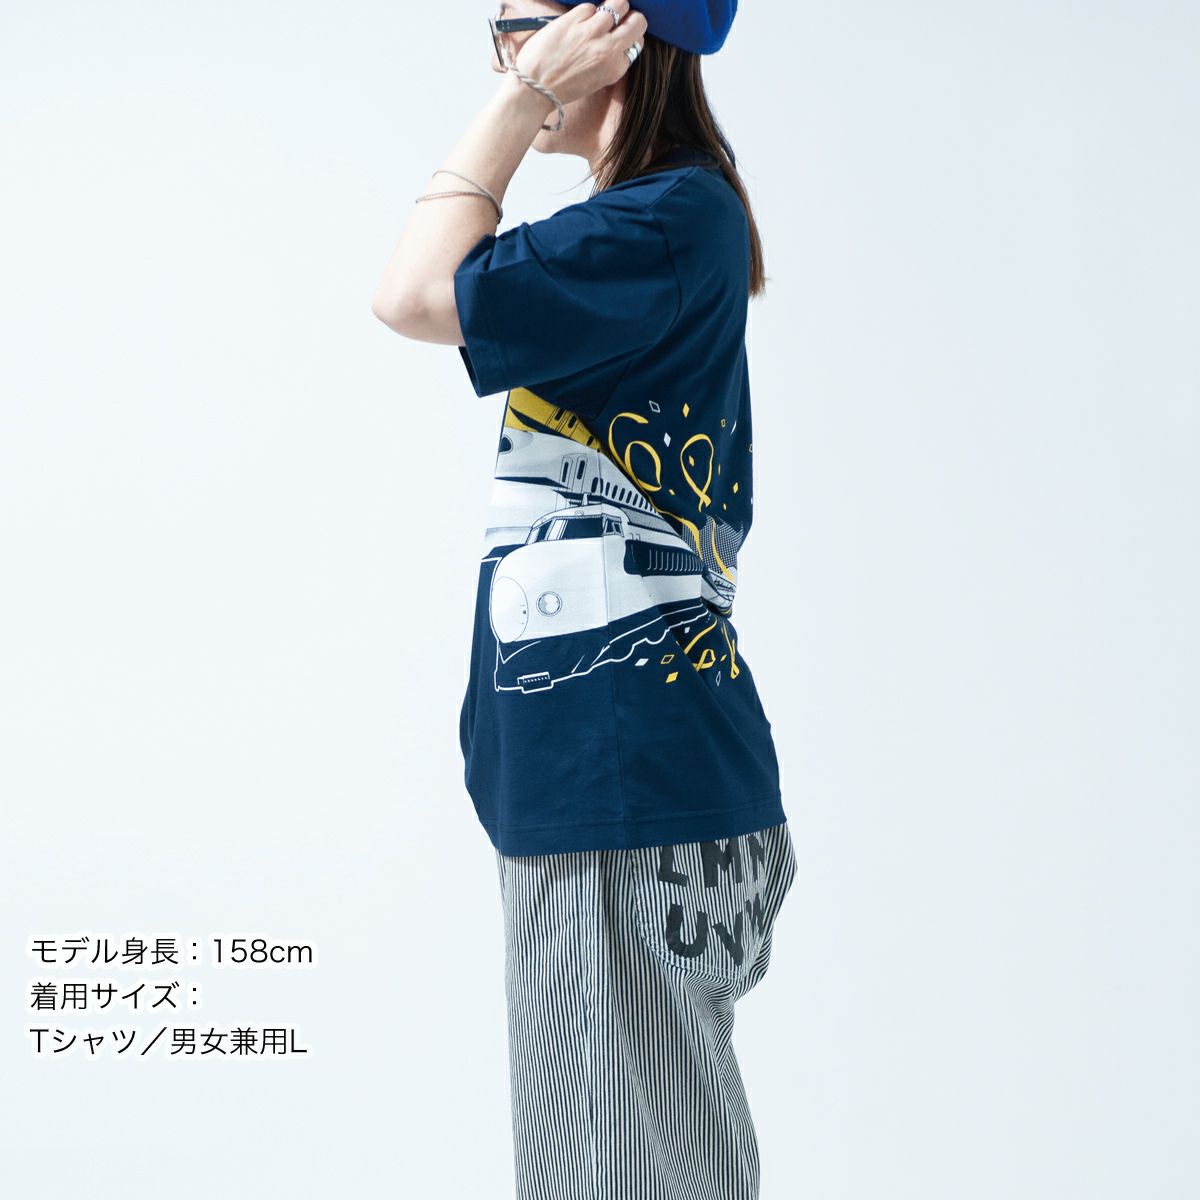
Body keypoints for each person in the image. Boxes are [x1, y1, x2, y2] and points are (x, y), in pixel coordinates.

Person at [372, 3, 797, 1197]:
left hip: (624, 782)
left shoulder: (663, 222)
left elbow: (413, 292)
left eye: (518, 26)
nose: (502, 52)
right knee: (629, 1165)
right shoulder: (654, 224)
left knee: (611, 1174)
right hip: (622, 773)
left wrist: (520, 101)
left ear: (616, 30)